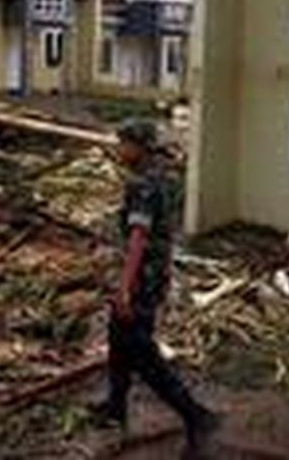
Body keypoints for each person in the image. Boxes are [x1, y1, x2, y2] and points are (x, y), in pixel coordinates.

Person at [93, 119, 219, 455]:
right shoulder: (164, 175)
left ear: (139, 146)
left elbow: (137, 238)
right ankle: (115, 407)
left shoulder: (144, 185)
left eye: (124, 143)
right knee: (117, 339)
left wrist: (123, 288)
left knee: (142, 353)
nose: (119, 149)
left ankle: (196, 417)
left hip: (141, 280)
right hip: (152, 274)